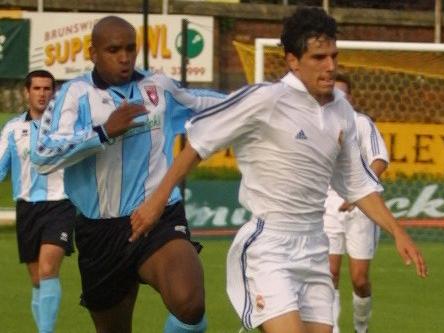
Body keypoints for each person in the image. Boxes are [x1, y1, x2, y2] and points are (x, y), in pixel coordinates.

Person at [130, 7, 427, 333]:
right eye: (318, 58)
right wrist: (157, 201)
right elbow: (199, 145)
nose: (330, 67)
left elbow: (357, 183)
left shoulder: (342, 111)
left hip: (315, 248)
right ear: (292, 61)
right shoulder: (265, 99)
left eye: (333, 56)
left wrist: (397, 232)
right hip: (270, 246)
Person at [31, 16, 225, 333]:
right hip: (101, 231)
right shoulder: (73, 95)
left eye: (130, 49)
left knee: (189, 302)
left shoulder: (157, 87)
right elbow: (43, 155)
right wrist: (103, 132)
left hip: (158, 216)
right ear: (93, 52)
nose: (124, 57)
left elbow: (204, 102)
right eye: (113, 50)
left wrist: (260, 101)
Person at [0, 70, 76, 333]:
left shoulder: (67, 128)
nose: (42, 94)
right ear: (26, 92)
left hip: (61, 205)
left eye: (47, 89)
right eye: (37, 89)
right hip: (27, 209)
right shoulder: (12, 129)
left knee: (47, 270)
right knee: (37, 280)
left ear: (54, 93)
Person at [323, 72, 388, 333]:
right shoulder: (317, 123)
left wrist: (358, 192)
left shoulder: (361, 123)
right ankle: (333, 328)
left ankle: (361, 328)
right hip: (327, 207)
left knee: (360, 280)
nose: (337, 95)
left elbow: (380, 159)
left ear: (350, 97)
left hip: (362, 209)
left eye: (343, 92)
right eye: (333, 90)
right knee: (330, 274)